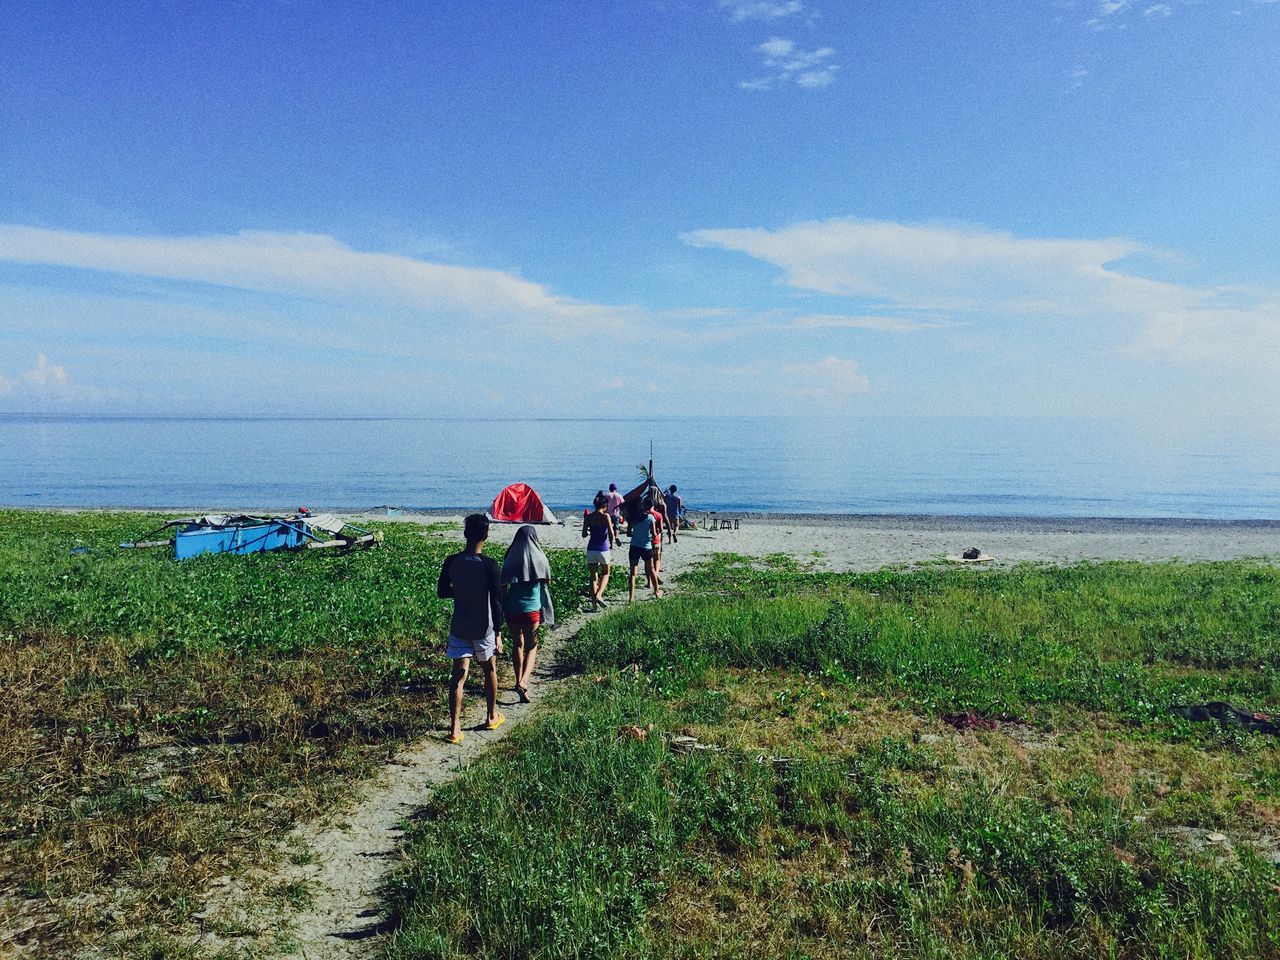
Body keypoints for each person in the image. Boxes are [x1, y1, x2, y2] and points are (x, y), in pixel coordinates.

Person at [437, 513, 504, 744]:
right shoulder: (490, 566)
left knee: (458, 676)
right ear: (486, 535)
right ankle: (491, 716)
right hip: (483, 627)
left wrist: (463, 591)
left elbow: (442, 592)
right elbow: (496, 601)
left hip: (460, 625)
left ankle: (455, 728)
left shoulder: (451, 561)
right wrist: (499, 633)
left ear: (465, 534)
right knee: (489, 670)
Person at [500, 524, 555, 703]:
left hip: (512, 608)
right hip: (532, 610)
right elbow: (548, 582)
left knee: (517, 644)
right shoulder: (540, 558)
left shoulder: (510, 558)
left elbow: (502, 586)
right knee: (532, 646)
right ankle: (523, 681)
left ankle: (517, 680)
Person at [581, 491, 617, 610]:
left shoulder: (589, 517)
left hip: (591, 549)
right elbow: (611, 533)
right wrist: (613, 542)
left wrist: (591, 530)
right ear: (604, 505)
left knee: (593, 576)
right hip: (603, 549)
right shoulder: (605, 516)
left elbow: (584, 534)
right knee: (606, 573)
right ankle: (599, 595)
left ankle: (594, 605)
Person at [627, 495, 661, 602]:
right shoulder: (650, 518)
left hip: (634, 546)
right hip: (646, 546)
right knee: (651, 569)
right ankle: (656, 591)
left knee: (633, 573)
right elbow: (654, 533)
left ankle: (631, 597)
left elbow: (628, 533)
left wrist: (635, 533)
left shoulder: (632, 518)